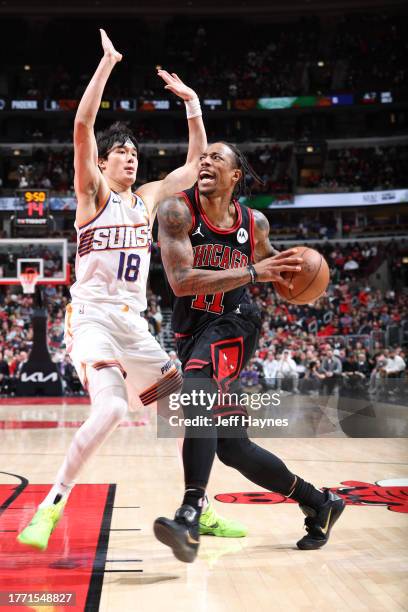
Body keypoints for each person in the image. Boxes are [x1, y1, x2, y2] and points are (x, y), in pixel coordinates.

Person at [17, 29, 211, 551]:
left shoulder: (146, 199)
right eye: (120, 152)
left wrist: (192, 105)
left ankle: (200, 507)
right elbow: (82, 125)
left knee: (184, 408)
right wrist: (107, 63)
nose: (130, 157)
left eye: (134, 152)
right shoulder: (93, 193)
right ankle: (50, 505)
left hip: (133, 323)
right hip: (94, 320)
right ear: (102, 163)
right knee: (111, 411)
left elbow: (194, 169)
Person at [153, 141, 345, 562]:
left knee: (199, 387)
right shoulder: (176, 211)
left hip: (236, 325)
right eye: (203, 158)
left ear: (235, 175)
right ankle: (320, 502)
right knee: (233, 447)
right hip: (191, 332)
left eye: (216, 158)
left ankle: (189, 514)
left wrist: (298, 274)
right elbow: (181, 281)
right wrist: (255, 271)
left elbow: (274, 266)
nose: (205, 162)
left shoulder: (253, 223)